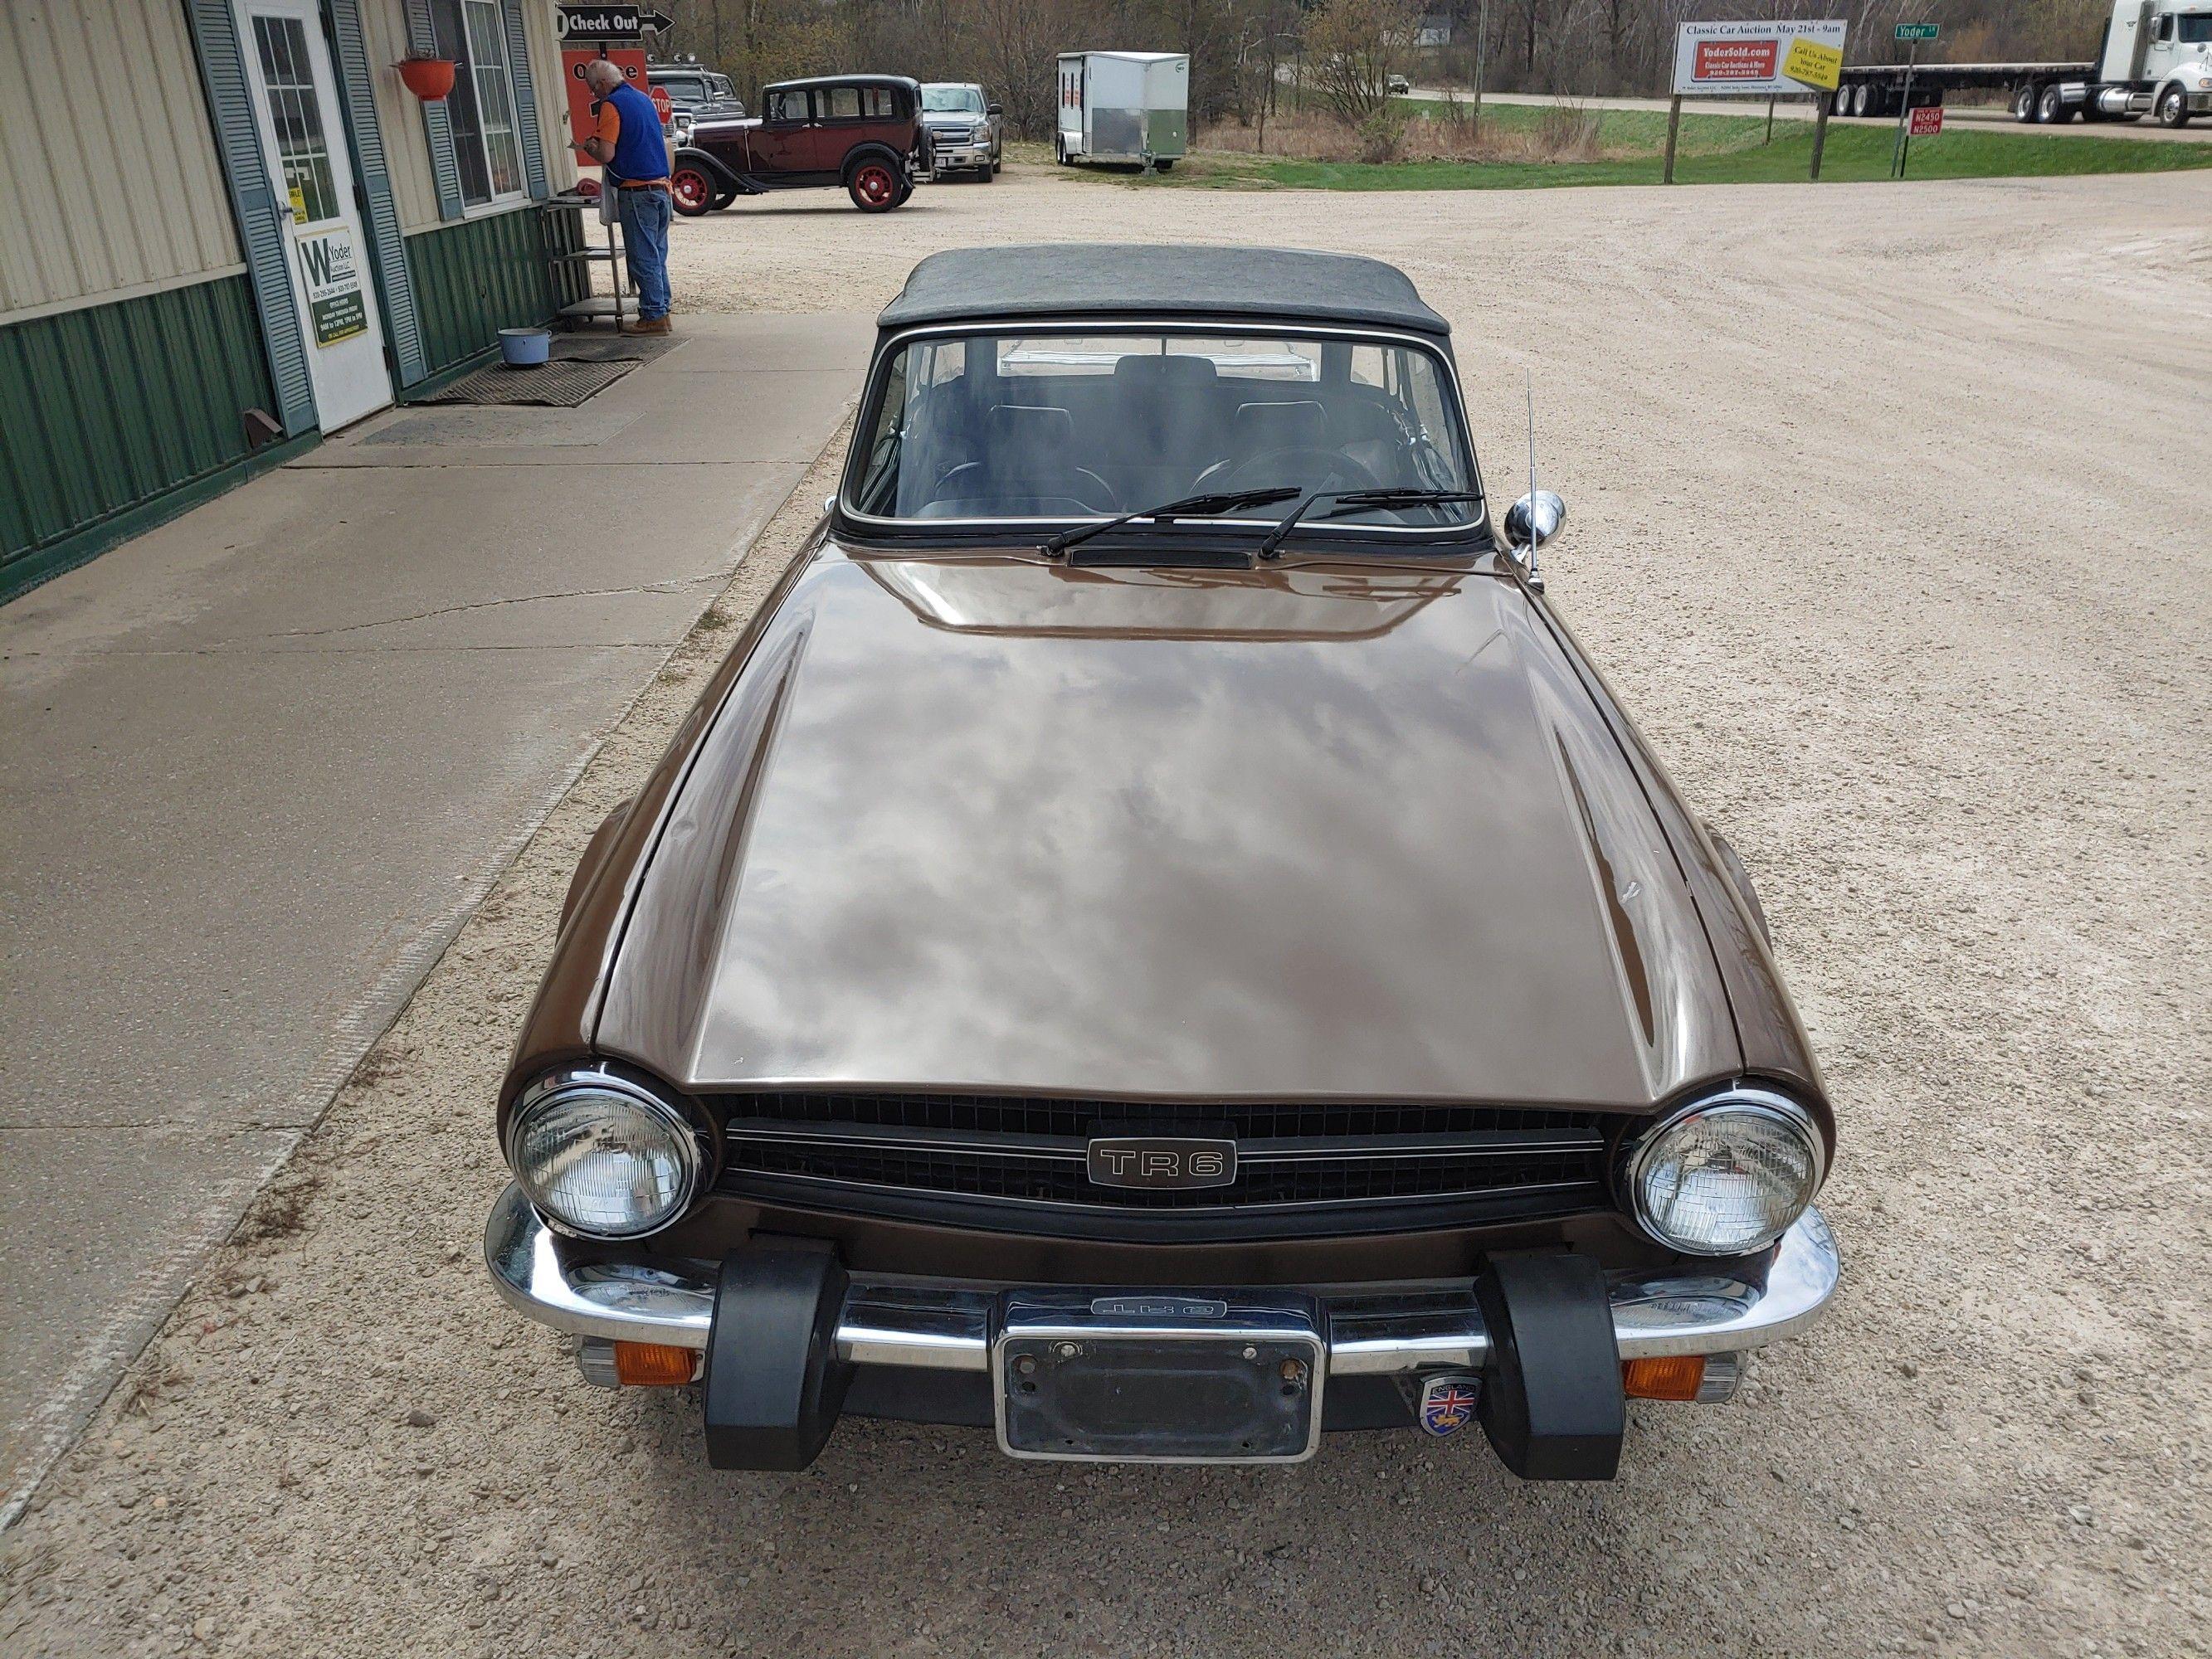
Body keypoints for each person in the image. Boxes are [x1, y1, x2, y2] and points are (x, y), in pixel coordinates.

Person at [574, 59, 672, 335]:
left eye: (593, 88)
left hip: (637, 190)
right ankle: (662, 310)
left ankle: (653, 316)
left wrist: (590, 147)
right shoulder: (642, 99)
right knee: (656, 254)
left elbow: (607, 154)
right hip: (661, 188)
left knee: (642, 257)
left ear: (603, 84)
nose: (594, 94)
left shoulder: (611, 105)